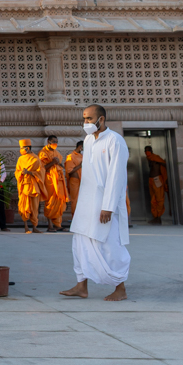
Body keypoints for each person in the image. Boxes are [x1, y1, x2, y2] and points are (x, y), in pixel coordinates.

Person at [61, 104, 129, 301]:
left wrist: (107, 206)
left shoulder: (115, 141)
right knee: (81, 242)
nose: (86, 123)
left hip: (105, 203)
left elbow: (116, 176)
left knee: (108, 244)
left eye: (90, 119)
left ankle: (120, 289)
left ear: (101, 119)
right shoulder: (89, 140)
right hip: (86, 200)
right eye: (84, 119)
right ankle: (81, 286)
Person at [14, 139, 44, 234]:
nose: (20, 150)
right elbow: (17, 171)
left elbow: (41, 172)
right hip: (23, 185)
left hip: (33, 186)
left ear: (27, 148)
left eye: (21, 148)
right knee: (24, 206)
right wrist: (21, 173)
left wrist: (30, 172)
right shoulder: (20, 159)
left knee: (34, 208)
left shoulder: (36, 158)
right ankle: (26, 227)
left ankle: (34, 227)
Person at [39, 136, 68, 232]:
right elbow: (42, 169)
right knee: (50, 202)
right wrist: (52, 162)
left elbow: (60, 165)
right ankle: (50, 225)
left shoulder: (57, 153)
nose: (55, 143)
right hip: (49, 180)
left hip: (58, 180)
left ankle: (58, 225)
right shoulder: (43, 153)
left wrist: (58, 163)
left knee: (59, 201)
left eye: (56, 141)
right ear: (48, 141)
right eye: (53, 141)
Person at [143, 145, 168, 224]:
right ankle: (155, 216)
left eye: (148, 151)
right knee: (153, 199)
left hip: (157, 179)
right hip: (151, 180)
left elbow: (164, 163)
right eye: (146, 151)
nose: (147, 153)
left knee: (159, 198)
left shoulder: (156, 157)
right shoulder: (149, 159)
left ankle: (159, 216)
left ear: (151, 151)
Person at [65, 141, 83, 215]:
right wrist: (80, 166)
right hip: (75, 181)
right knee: (75, 200)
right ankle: (75, 219)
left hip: (83, 181)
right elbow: (69, 171)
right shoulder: (71, 156)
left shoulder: (83, 156)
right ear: (80, 147)